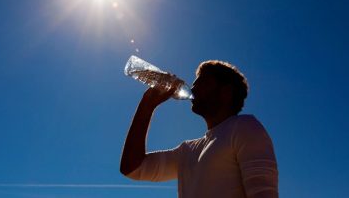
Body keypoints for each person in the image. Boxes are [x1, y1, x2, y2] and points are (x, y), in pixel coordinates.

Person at [120, 60, 279, 198]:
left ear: (226, 92)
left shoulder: (245, 127)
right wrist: (147, 105)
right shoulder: (187, 150)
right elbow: (132, 168)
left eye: (202, 83)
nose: (193, 89)